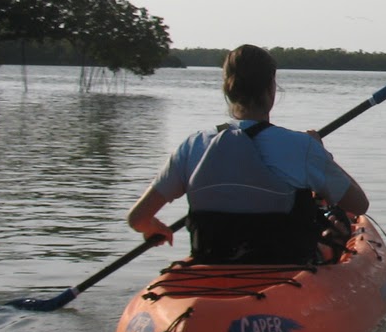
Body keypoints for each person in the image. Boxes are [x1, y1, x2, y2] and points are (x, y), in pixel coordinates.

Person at [127, 44, 370, 264]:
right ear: (270, 90)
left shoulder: (193, 145)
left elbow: (137, 218)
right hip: (284, 267)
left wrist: (152, 227)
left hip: (212, 262)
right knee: (335, 233)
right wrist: (319, 150)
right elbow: (358, 204)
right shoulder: (300, 146)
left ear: (228, 89)